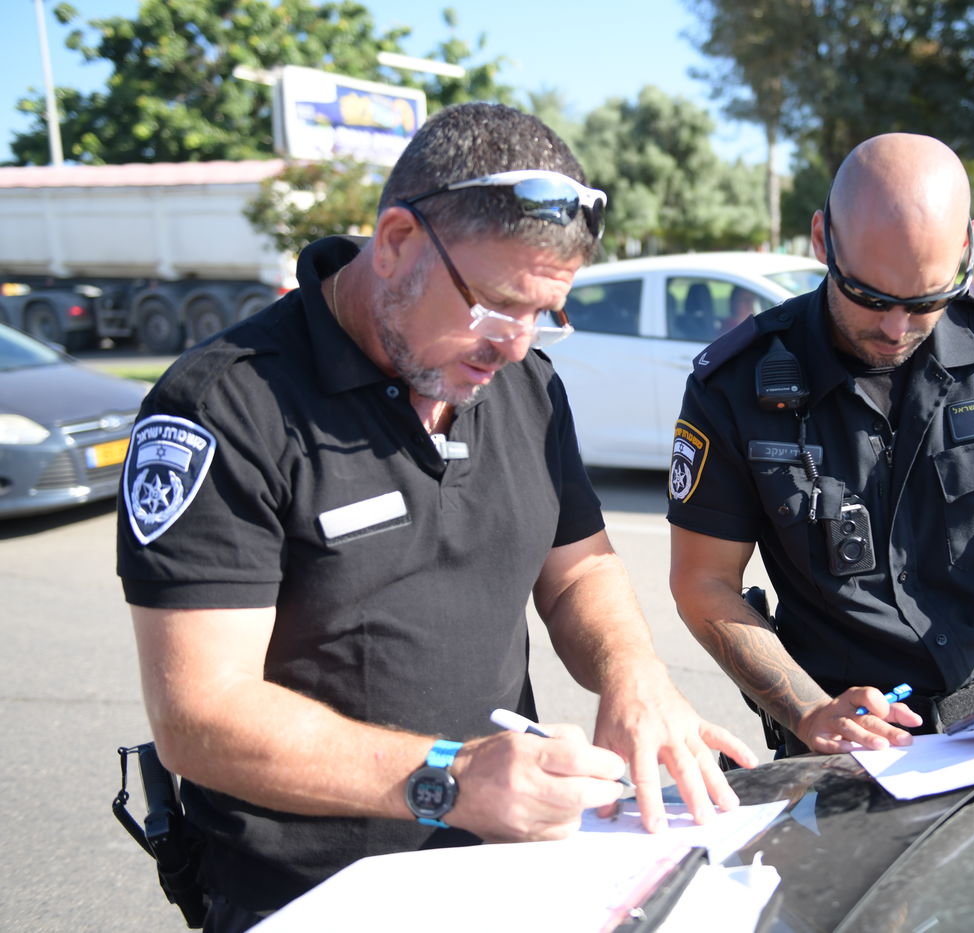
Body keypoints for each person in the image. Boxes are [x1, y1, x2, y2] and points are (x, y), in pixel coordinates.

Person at [116, 102, 756, 930]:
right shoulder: (223, 407)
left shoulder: (524, 387)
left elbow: (579, 570)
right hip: (309, 895)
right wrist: (451, 778)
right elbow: (199, 718)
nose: (518, 345)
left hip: (509, 866)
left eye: (545, 313)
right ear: (395, 244)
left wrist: (635, 672)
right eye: (495, 304)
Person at [666, 133, 974, 758]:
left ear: (966, 246)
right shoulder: (734, 385)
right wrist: (808, 709)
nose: (897, 328)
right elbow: (703, 581)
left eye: (928, 299)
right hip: (841, 744)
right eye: (869, 296)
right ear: (823, 241)